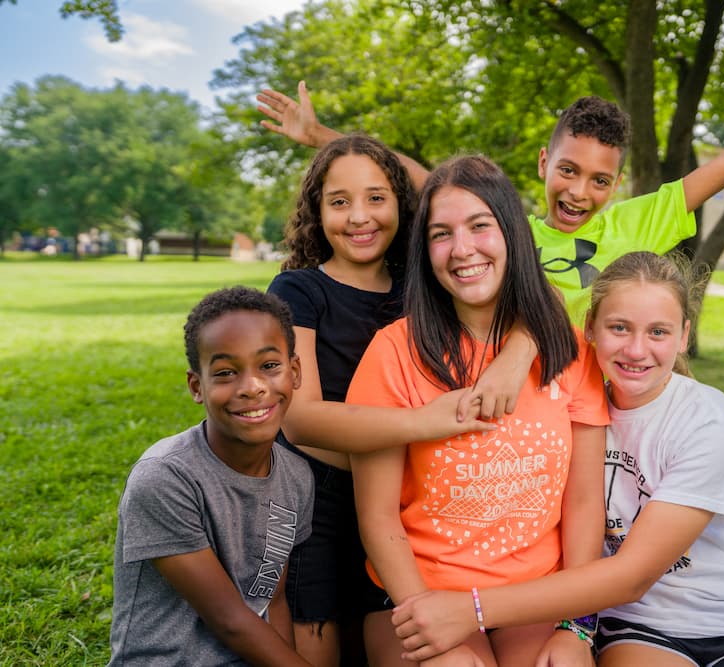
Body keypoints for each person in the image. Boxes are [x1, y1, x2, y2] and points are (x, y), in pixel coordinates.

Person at [256, 45, 724, 325]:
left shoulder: (639, 220)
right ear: (543, 163)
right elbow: (425, 179)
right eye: (567, 170)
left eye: (600, 180)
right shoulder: (508, 222)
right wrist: (324, 139)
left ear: (618, 183)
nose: (579, 191)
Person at [389, 251, 724, 667]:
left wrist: (471, 610)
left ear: (684, 335)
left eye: (658, 333)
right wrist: (519, 352)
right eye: (619, 327)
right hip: (639, 624)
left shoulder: (709, 423)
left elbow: (632, 576)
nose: (636, 349)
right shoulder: (573, 405)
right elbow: (546, 294)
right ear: (589, 327)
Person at [267, 134, 533, 667]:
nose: (360, 216)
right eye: (339, 201)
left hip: (413, 510)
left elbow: (526, 281)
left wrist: (519, 351)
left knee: (394, 636)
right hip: (319, 500)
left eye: (377, 196)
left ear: (401, 204)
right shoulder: (300, 290)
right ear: (316, 213)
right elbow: (299, 420)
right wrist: (422, 425)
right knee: (320, 645)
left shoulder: (423, 284)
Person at [345, 155, 610, 666]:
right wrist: (422, 611)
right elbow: (378, 519)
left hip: (532, 597)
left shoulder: (570, 352)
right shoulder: (394, 351)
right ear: (425, 251)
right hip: (418, 591)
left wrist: (576, 627)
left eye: (479, 226)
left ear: (511, 231)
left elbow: (582, 505)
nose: (462, 249)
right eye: (441, 234)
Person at [109, 286, 314, 665]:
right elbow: (230, 620)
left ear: (295, 372)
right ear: (196, 386)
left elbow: (273, 598)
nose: (252, 387)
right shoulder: (165, 478)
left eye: (269, 366)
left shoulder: (297, 477)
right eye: (225, 373)